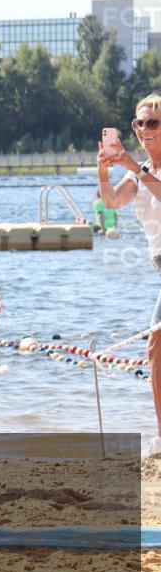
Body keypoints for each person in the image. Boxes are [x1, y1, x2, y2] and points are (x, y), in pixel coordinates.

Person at [95, 93, 161, 455]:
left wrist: (134, 166)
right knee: (157, 350)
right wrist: (104, 171)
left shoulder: (143, 172)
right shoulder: (138, 177)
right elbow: (111, 202)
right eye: (139, 123)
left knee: (155, 348)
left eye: (152, 122)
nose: (144, 129)